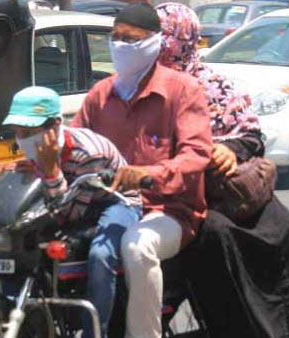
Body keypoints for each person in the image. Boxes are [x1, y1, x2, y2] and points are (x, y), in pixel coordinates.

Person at [156, 3, 289, 338]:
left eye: (165, 37)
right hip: (182, 198)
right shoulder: (140, 89)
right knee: (215, 237)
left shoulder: (213, 83)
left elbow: (252, 137)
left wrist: (227, 150)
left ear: (183, 40)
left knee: (282, 227)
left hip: (230, 190)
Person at [70, 3, 213, 338]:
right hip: (108, 206)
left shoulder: (183, 90)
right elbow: (72, 144)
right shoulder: (100, 95)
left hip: (169, 210)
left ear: (154, 42)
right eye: (116, 37)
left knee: (137, 247)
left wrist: (148, 173)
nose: (121, 45)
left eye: (131, 39)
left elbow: (196, 155)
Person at [0, 85, 142, 338]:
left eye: (28, 132)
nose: (22, 139)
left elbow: (70, 216)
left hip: (114, 201)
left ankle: (95, 332)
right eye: (18, 132)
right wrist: (1, 170)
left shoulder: (89, 153)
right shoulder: (39, 149)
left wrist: (50, 172)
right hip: (67, 198)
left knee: (101, 256)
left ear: (55, 125)